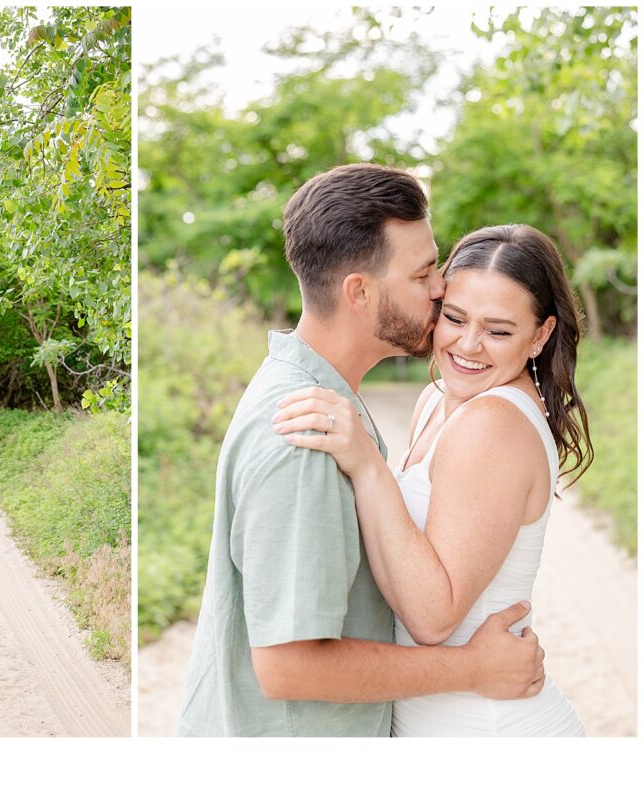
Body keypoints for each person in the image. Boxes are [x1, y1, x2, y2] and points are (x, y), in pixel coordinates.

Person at [176, 164, 545, 737]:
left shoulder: (327, 403)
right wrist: (470, 667)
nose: (441, 288)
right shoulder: (305, 436)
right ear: (360, 291)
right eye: (424, 274)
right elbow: (288, 666)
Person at [273, 224, 591, 735]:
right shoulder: (437, 401)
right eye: (455, 317)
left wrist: (369, 464)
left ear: (540, 336)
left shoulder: (493, 423)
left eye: (499, 330)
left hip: (489, 732)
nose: (468, 345)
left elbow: (432, 617)